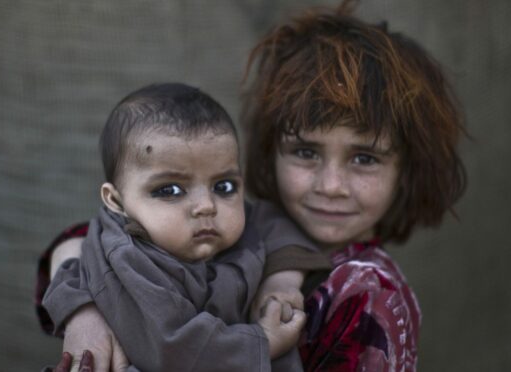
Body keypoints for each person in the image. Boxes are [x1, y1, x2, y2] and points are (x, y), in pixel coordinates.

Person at [38, 3, 466, 371]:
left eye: (364, 158)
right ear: (270, 150)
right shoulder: (229, 221)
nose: (332, 185)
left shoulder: (364, 293)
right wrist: (84, 311)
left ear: (407, 168)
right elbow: (91, 236)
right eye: (306, 152)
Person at [42, 83, 311, 371]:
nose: (206, 205)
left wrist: (282, 280)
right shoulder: (129, 258)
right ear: (116, 202)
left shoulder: (238, 219)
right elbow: (173, 348)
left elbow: (277, 223)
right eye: (169, 190)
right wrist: (263, 342)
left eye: (224, 185)